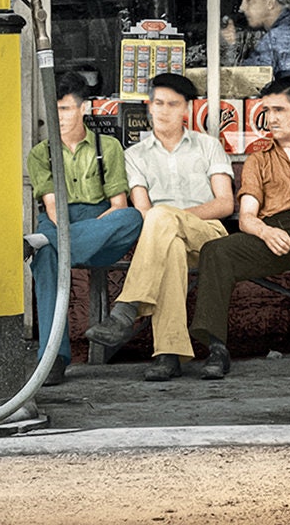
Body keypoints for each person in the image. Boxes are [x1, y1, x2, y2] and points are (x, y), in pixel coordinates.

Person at [187, 75, 290, 380]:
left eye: (278, 110)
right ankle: (217, 348)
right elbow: (247, 215)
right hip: (272, 236)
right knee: (217, 252)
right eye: (267, 111)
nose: (270, 119)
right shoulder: (258, 160)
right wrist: (264, 231)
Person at [83, 72, 234, 382]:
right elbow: (142, 210)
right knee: (170, 248)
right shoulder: (134, 156)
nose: (164, 110)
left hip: (209, 237)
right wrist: (167, 221)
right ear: (149, 107)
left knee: (162, 219)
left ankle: (126, 310)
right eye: (158, 103)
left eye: (172, 104)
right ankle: (168, 354)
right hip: (164, 242)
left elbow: (224, 204)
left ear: (187, 109)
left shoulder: (208, 146)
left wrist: (177, 217)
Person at [27, 76, 143, 385]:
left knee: (133, 218)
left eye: (66, 109)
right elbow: (53, 209)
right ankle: (52, 359)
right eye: (55, 110)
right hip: (58, 222)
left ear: (84, 108)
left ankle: (40, 243)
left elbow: (118, 205)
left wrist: (91, 232)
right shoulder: (41, 153)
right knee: (47, 259)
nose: (60, 117)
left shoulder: (110, 147)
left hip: (102, 223)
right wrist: (64, 236)